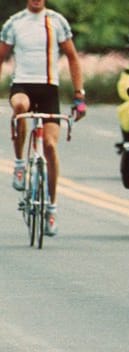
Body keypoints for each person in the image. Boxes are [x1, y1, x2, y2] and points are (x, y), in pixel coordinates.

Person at [0, 0, 86, 236]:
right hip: (22, 85)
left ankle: (51, 208)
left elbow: (72, 57)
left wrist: (80, 95)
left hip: (49, 88)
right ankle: (19, 163)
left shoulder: (57, 21)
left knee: (49, 145)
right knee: (20, 106)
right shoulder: (14, 23)